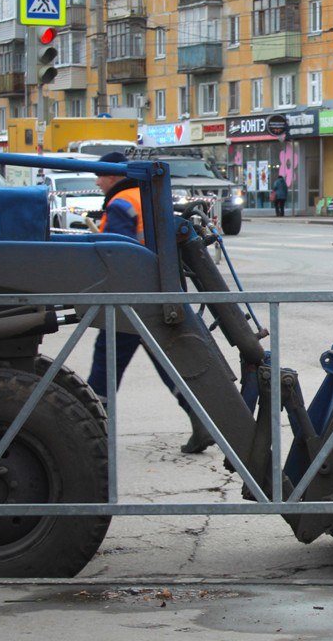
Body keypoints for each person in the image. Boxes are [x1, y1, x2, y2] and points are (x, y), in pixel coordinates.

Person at [88, 152, 214, 454]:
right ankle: (201, 419)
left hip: (130, 297)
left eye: (100, 176)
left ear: (113, 175)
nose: (98, 182)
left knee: (107, 358)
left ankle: (89, 427)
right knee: (164, 360)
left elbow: (117, 254)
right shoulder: (143, 195)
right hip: (156, 291)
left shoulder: (121, 203)